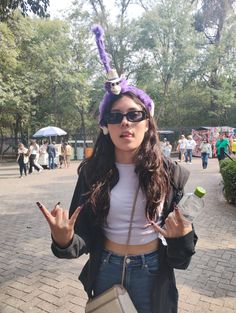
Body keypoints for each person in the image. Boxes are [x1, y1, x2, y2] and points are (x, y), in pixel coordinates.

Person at [37, 25, 197, 313]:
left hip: (152, 272)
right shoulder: (91, 172)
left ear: (147, 122)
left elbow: (181, 257)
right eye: (115, 116)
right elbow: (81, 237)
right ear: (105, 126)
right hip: (106, 270)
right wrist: (64, 240)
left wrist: (182, 237)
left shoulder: (172, 174)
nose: (125, 122)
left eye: (134, 115)